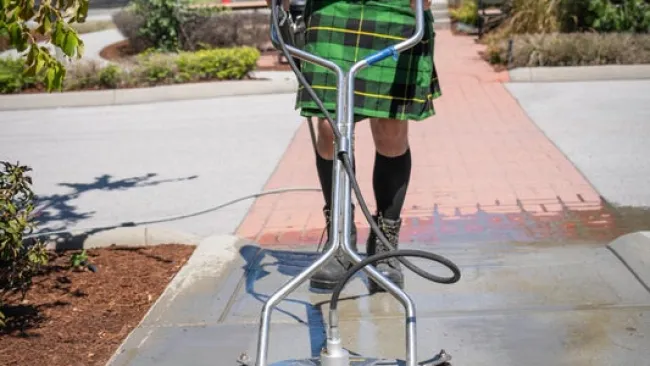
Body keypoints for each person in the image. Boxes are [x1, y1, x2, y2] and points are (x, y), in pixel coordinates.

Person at [268, 0, 441, 291]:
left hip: (393, 8)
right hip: (332, 8)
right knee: (329, 126)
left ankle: (385, 241)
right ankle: (339, 237)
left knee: (391, 126)